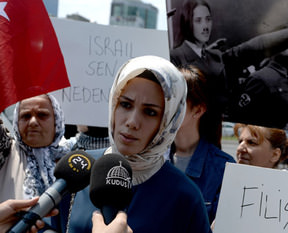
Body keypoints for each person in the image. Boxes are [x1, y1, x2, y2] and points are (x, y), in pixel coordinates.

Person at [51, 55, 212, 233]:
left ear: (167, 122)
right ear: (114, 103)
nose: (132, 122)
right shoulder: (78, 171)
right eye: (126, 104)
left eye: (150, 112)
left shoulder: (185, 197)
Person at [170, 0, 288, 127]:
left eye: (208, 19)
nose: (205, 26)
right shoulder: (175, 57)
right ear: (187, 23)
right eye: (198, 20)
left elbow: (253, 47)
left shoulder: (215, 56)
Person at [166, 65, 235, 224]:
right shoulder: (152, 158)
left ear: (198, 110)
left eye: (176, 100)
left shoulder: (224, 168)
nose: (166, 106)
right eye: (165, 98)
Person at [0, 94, 70, 202]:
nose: (33, 122)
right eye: (26, 116)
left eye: (42, 115)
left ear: (57, 120)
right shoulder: (5, 151)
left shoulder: (73, 160)